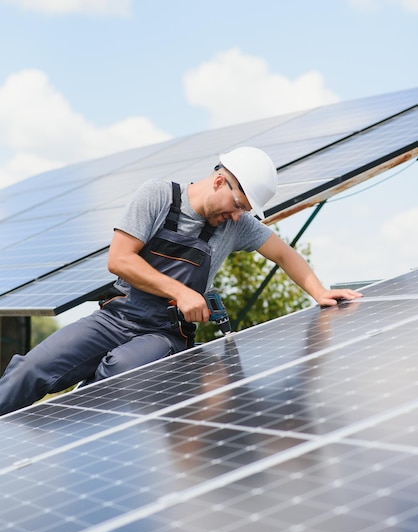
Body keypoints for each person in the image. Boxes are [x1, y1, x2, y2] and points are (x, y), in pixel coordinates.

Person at [0, 146, 362, 416]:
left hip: (164, 334)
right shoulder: (157, 196)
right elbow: (119, 259)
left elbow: (284, 253)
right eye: (237, 204)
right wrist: (180, 290)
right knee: (31, 370)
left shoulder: (236, 225)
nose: (238, 216)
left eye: (245, 211)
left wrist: (318, 291)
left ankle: (64, 451)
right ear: (220, 180)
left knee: (119, 371)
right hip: (117, 316)